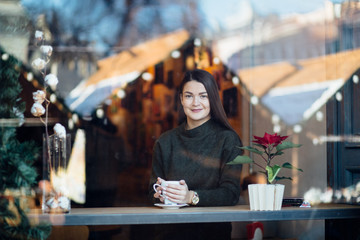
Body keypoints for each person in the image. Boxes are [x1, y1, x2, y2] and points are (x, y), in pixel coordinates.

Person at [148, 69, 243, 240]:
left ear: (213, 99)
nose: (195, 103)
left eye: (203, 96)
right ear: (181, 99)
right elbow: (151, 190)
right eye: (189, 96)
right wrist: (160, 194)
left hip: (212, 234)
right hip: (169, 233)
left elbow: (231, 194)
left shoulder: (228, 140)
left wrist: (190, 196)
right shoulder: (165, 141)